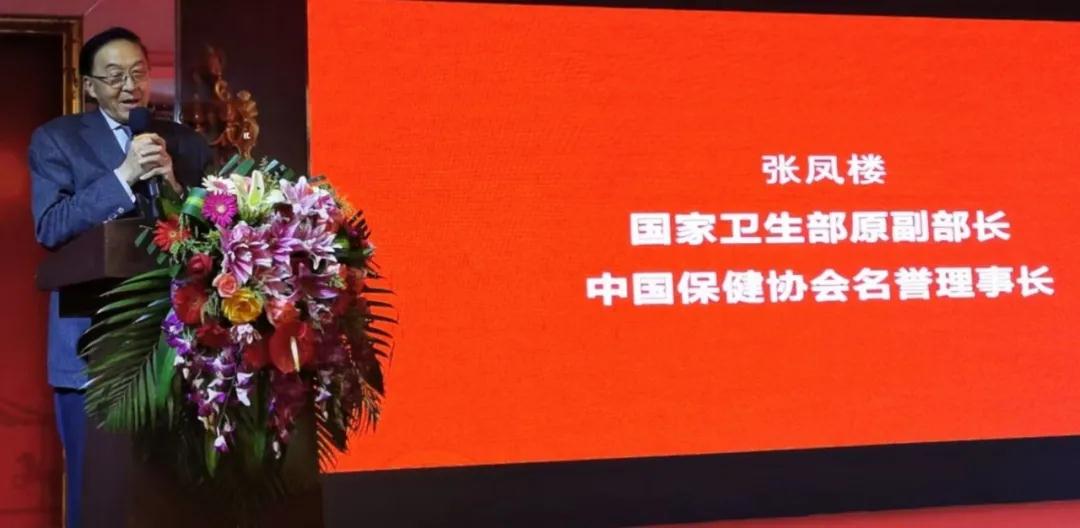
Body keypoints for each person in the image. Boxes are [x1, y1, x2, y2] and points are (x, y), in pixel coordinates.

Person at [28, 27, 211, 527]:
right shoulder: (56, 140)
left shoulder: (186, 143)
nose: (129, 86)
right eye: (114, 77)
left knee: (174, 499)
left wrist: (173, 186)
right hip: (93, 349)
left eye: (137, 73)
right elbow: (51, 226)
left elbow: (213, 235)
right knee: (101, 496)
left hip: (178, 349)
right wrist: (122, 177)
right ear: (89, 86)